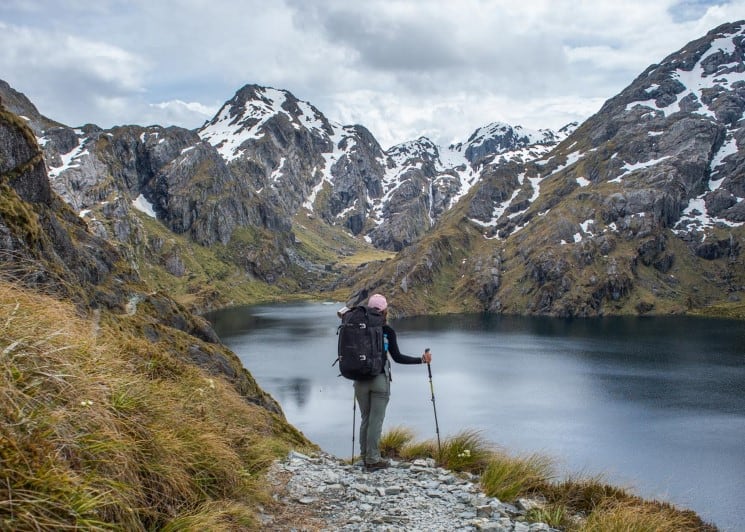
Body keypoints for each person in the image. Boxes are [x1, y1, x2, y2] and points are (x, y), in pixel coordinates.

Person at [353, 293, 432, 471]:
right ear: (384, 311)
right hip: (379, 380)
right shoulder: (387, 330)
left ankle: (365, 455)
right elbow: (397, 358)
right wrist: (421, 360)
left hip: (358, 380)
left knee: (365, 418)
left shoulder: (357, 327)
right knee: (376, 420)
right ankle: (373, 460)